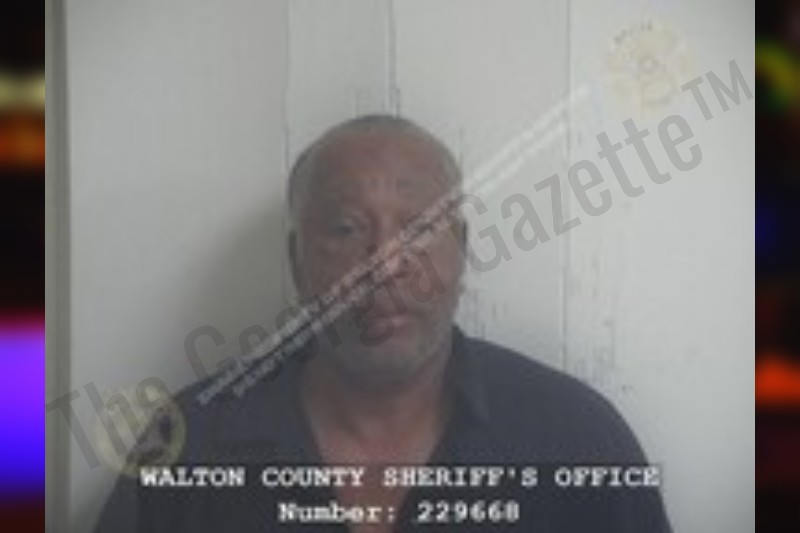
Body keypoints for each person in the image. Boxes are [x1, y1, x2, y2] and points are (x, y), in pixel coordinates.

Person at [95, 115, 671, 532]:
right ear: (297, 263)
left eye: (419, 229)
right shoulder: (191, 445)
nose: (385, 264)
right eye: (346, 228)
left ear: (463, 249)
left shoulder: (577, 441)